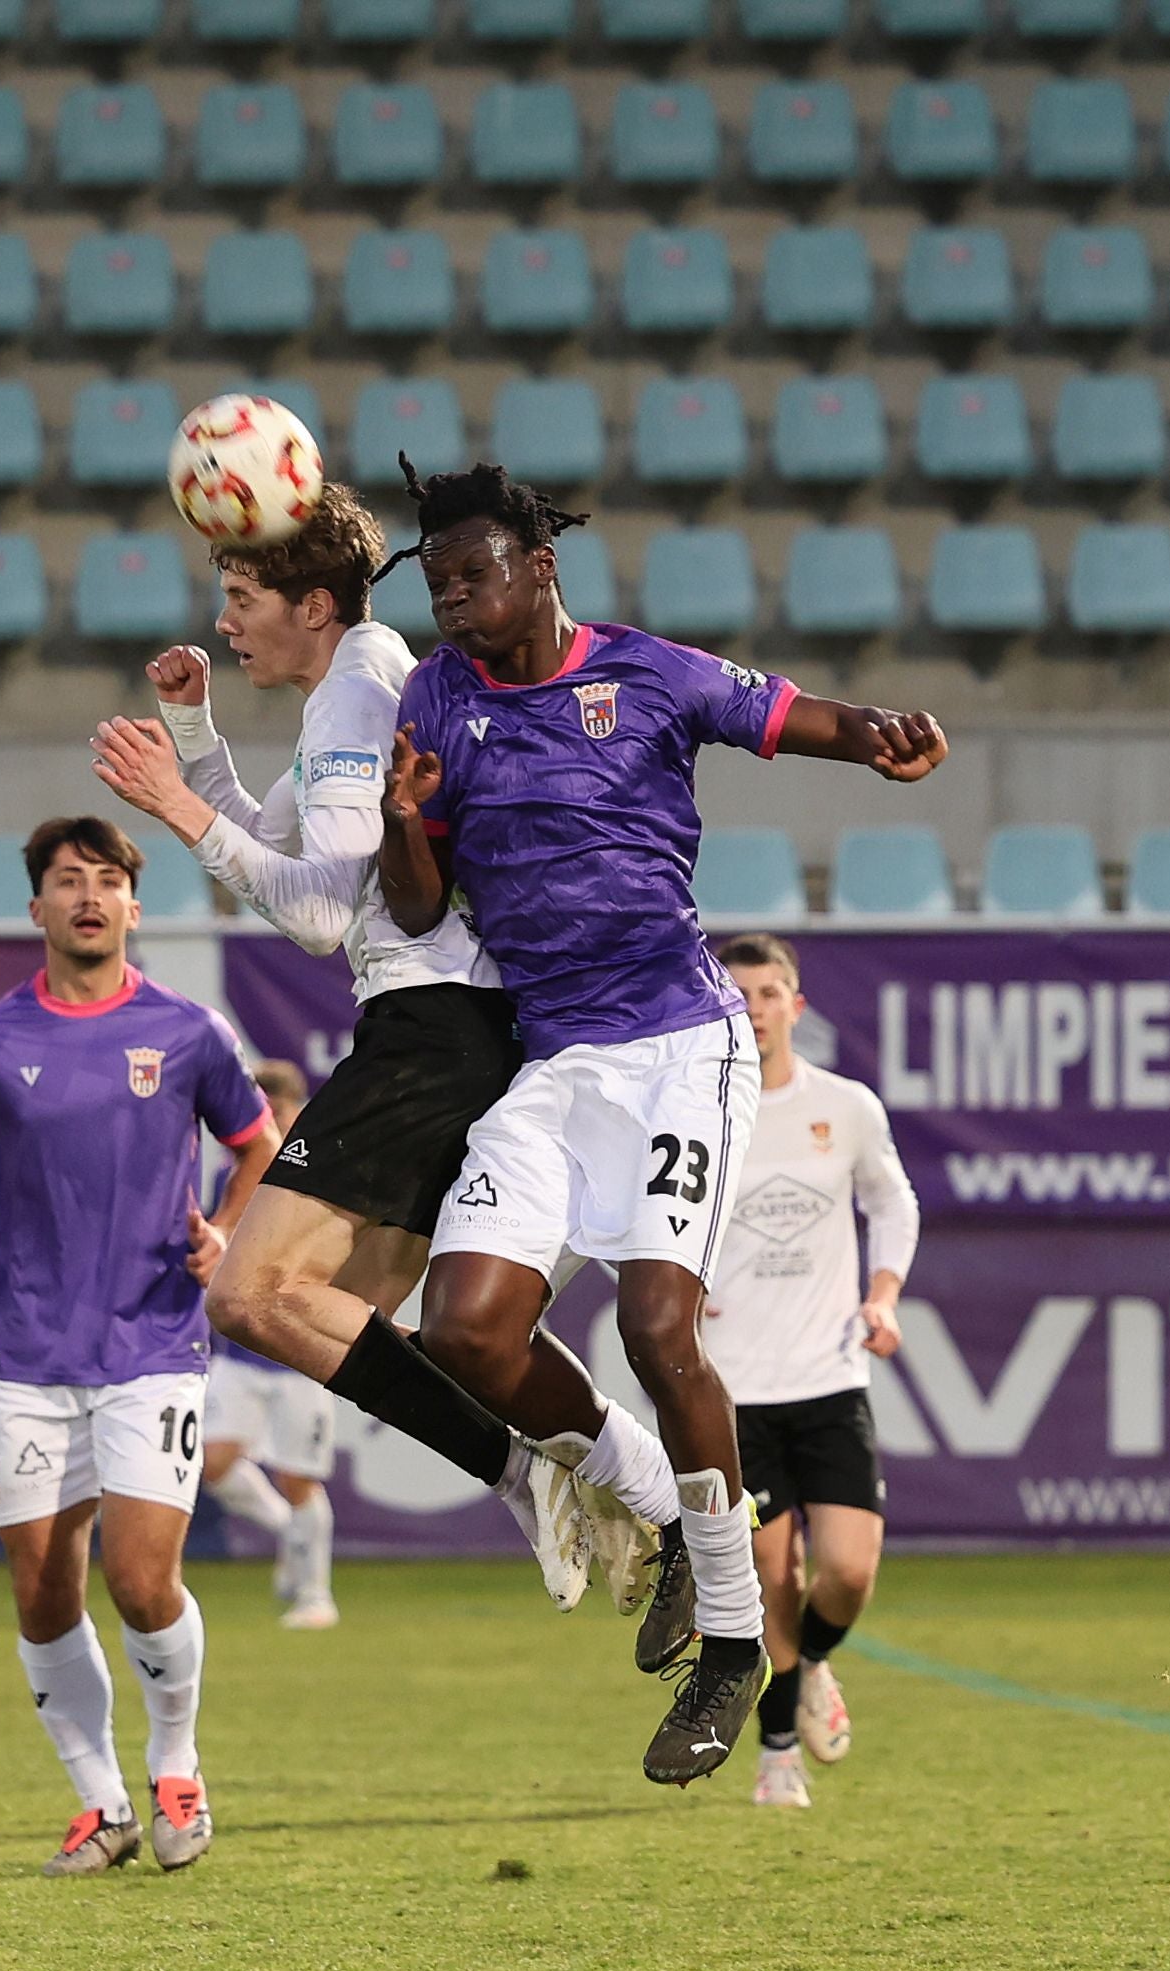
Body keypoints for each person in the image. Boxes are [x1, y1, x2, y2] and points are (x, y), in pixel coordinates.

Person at [376, 455, 948, 1787]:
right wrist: (407, 821)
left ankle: (735, 1643)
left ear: (538, 569)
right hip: (556, 1060)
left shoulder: (644, 672)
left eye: (476, 573)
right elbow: (414, 905)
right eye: (440, 580)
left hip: (683, 1044)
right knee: (461, 1328)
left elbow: (799, 712)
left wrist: (876, 732)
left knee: (652, 1323)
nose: (454, 599)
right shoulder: (435, 697)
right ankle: (673, 1509)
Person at [89, 482, 679, 1626]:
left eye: (241, 596)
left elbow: (318, 915)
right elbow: (285, 849)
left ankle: (557, 1478)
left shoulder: (359, 690)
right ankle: (562, 1476)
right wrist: (199, 746)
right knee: (368, 1327)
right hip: (457, 1028)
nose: (225, 621)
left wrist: (174, 804)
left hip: (436, 1027)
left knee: (252, 1295)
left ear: (313, 603)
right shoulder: (354, 679)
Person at [0, 816, 279, 1878]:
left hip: (152, 1344)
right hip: (29, 1360)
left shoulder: (189, 1032)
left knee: (143, 1583)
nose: (89, 896)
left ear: (135, 909)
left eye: (108, 881)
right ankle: (101, 1804)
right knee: (44, 1592)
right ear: (37, 909)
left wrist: (228, 1233)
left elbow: (261, 1150)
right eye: (67, 881)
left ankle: (176, 1765)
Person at [704, 933, 920, 1810]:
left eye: (767, 993)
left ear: (796, 1005)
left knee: (845, 1575)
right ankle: (778, 1750)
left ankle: (817, 1662)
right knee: (768, 1576)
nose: (753, 1008)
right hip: (728, 1390)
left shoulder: (846, 1107)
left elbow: (891, 1202)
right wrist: (667, 1296)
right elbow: (618, 1218)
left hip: (829, 1379)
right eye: (738, 993)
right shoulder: (698, 1109)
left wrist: (882, 1296)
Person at [201, 1059, 343, 1631]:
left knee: (297, 1477)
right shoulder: (232, 1175)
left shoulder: (325, 1168)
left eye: (275, 1110)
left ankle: (316, 1595)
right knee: (212, 1464)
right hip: (239, 1351)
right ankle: (290, 1534)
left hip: (297, 1351)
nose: (265, 1121)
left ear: (296, 1110)